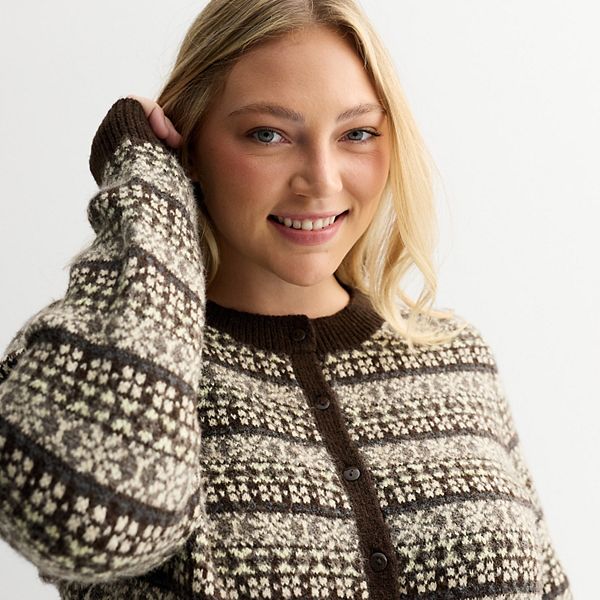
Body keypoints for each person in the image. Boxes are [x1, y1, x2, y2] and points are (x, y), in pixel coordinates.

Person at [0, 1, 572, 598]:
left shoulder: (454, 357)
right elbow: (86, 532)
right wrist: (146, 192)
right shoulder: (97, 361)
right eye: (267, 134)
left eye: (357, 133)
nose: (322, 179)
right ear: (190, 148)